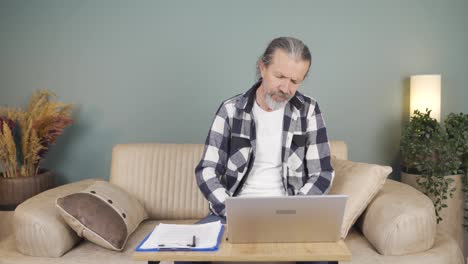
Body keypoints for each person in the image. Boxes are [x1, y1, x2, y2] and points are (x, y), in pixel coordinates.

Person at [189, 37, 335, 264]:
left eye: (295, 81)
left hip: (290, 216)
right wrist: (230, 210)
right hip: (232, 214)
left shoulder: (309, 110)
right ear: (262, 67)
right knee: (186, 256)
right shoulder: (230, 110)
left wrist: (297, 210)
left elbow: (322, 173)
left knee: (322, 260)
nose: (286, 88)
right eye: (279, 76)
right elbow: (206, 170)